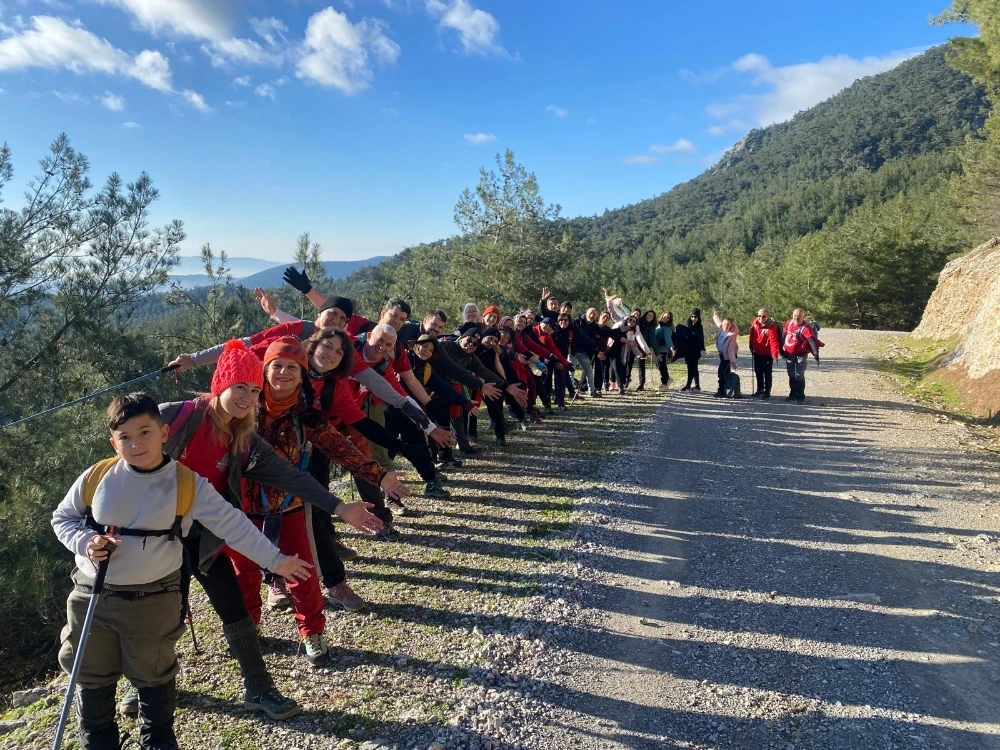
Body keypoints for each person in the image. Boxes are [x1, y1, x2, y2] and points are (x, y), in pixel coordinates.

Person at [52, 392, 315, 750]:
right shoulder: (98, 476)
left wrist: (276, 560)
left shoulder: (187, 484)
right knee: (91, 676)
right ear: (113, 442)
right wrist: (85, 542)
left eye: (145, 433)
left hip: (152, 599)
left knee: (154, 674)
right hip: (90, 597)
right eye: (125, 437)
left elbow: (233, 524)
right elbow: (63, 518)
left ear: (163, 433)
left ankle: (159, 742)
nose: (135, 444)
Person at [232, 336, 408, 661]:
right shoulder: (241, 409)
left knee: (303, 573)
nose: (284, 372)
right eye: (277, 365)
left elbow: (339, 447)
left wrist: (379, 475)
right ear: (265, 369)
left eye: (292, 368)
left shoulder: (305, 417)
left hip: (291, 506)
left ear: (302, 375)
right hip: (241, 509)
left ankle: (312, 632)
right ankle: (248, 630)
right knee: (244, 574)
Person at [781, 308, 823, 403]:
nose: (796, 318)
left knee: (799, 374)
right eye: (795, 315)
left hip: (801, 354)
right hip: (789, 353)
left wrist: (815, 353)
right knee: (791, 374)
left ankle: (800, 396)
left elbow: (811, 340)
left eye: (799, 316)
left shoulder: (806, 327)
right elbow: (784, 335)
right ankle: (792, 394)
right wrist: (780, 348)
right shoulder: (789, 323)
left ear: (803, 317)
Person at [748, 308, 781, 400]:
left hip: (767, 353)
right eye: (759, 316)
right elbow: (752, 335)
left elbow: (773, 340)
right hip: (757, 351)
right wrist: (751, 345)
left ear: (768, 316)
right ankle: (760, 389)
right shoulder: (755, 323)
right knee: (758, 371)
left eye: (763, 316)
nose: (761, 318)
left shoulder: (771, 326)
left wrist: (774, 353)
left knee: (767, 373)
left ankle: (767, 392)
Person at [675, 309, 707, 391]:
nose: (693, 318)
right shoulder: (689, 325)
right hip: (688, 350)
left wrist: (702, 349)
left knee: (694, 367)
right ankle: (690, 385)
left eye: (695, 317)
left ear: (698, 317)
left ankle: (696, 385)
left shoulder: (699, 327)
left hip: (696, 350)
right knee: (690, 367)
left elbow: (701, 339)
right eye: (692, 316)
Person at [712, 312, 739, 397]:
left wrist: (733, 362)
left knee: (721, 372)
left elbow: (731, 350)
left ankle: (721, 391)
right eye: (724, 324)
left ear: (731, 325)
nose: (725, 326)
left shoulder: (732, 335)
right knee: (726, 372)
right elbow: (718, 322)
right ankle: (727, 390)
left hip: (728, 357)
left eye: (728, 324)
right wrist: (715, 315)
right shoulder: (721, 328)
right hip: (722, 354)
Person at [652, 312, 675, 390]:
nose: (666, 318)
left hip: (662, 349)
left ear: (670, 319)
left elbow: (668, 339)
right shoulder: (659, 326)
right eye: (664, 317)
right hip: (656, 349)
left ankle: (664, 384)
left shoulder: (667, 328)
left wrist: (671, 348)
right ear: (661, 317)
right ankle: (667, 379)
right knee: (659, 365)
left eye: (668, 318)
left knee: (661, 366)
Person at [637, 310, 658, 391]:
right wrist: (621, 304)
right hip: (633, 345)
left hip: (644, 348)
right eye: (648, 315)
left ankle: (641, 384)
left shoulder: (651, 327)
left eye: (651, 316)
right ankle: (626, 379)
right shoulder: (639, 322)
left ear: (653, 318)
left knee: (641, 365)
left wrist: (656, 352)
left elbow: (653, 340)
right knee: (628, 362)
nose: (649, 316)